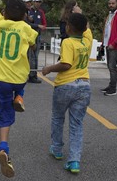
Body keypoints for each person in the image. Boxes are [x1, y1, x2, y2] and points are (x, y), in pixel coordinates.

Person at [0, 0, 38, 178]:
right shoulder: (27, 29)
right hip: (19, 77)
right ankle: (19, 97)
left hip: (0, 78)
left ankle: (4, 148)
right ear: (25, 14)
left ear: (5, 13)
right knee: (18, 93)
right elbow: (34, 46)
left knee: (4, 114)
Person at [42, 13, 93, 174]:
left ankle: (57, 149)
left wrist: (49, 68)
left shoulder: (68, 42)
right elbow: (87, 26)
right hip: (84, 86)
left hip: (65, 85)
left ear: (69, 27)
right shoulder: (87, 40)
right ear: (84, 28)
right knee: (76, 124)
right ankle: (74, 161)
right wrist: (80, 11)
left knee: (58, 118)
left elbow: (66, 64)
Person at [101, 0, 117, 96]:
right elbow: (107, 29)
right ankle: (111, 85)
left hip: (115, 45)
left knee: (112, 67)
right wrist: (103, 42)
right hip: (109, 44)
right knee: (110, 66)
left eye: (113, 3)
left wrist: (113, 43)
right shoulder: (110, 14)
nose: (111, 5)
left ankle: (113, 89)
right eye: (109, 3)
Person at [28, 0, 47, 83]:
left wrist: (42, 27)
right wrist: (37, 25)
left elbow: (44, 23)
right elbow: (26, 24)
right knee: (31, 56)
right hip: (30, 36)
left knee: (35, 56)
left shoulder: (41, 12)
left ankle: (34, 75)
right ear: (33, 2)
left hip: (38, 36)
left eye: (39, 2)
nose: (38, 3)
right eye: (37, 1)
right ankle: (31, 75)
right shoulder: (28, 11)